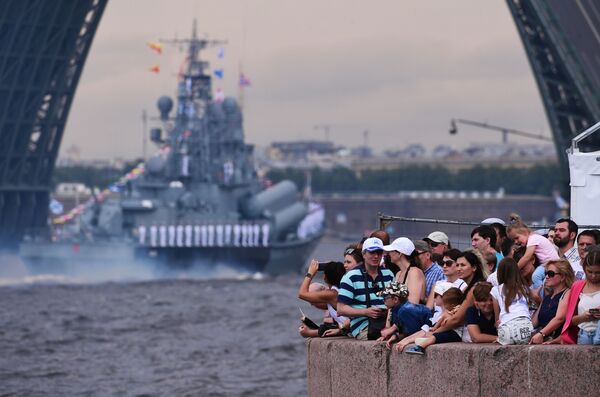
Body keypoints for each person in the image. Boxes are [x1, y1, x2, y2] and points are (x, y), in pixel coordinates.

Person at [337, 237, 395, 340]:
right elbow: (341, 309)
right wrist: (366, 312)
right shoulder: (351, 277)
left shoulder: (389, 274)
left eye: (379, 252)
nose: (376, 256)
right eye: (372, 252)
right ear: (363, 254)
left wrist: (386, 311)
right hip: (363, 325)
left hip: (388, 321)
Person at [557, 247, 600, 345]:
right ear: (584, 268)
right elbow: (570, 321)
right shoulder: (577, 286)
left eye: (598, 273)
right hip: (583, 335)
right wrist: (585, 316)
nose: (593, 276)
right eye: (590, 272)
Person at [402, 288, 464, 355]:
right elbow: (441, 319)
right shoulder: (448, 312)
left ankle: (420, 347)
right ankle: (421, 342)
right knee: (433, 334)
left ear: (452, 305)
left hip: (456, 333)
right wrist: (435, 327)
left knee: (434, 337)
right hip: (448, 330)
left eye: (445, 304)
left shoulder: (458, 310)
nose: (444, 306)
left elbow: (452, 322)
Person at [298, 259, 348, 337]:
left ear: (325, 277)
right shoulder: (341, 289)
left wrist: (310, 273)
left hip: (351, 328)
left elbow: (302, 294)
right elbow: (318, 303)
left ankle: (308, 333)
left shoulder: (331, 294)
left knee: (325, 328)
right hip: (348, 326)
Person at [507, 213, 559, 286]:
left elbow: (526, 257)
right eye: (513, 240)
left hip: (552, 264)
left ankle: (539, 292)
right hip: (549, 264)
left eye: (516, 238)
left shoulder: (533, 239)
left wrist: (515, 269)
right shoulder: (534, 238)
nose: (516, 242)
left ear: (524, 232)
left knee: (535, 277)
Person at [530, 259, 574, 344]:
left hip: (558, 343)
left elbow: (559, 318)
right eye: (546, 273)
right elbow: (534, 322)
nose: (546, 277)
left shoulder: (568, 293)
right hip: (544, 342)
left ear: (563, 277)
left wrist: (541, 333)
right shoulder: (547, 297)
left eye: (551, 274)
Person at [376, 281, 432, 348]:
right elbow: (405, 331)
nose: (383, 301)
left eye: (385, 298)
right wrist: (394, 336)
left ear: (395, 299)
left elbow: (414, 333)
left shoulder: (405, 310)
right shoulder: (396, 310)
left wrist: (397, 336)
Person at [491, 258, 533, 345]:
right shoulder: (524, 288)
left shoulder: (496, 290)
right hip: (527, 331)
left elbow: (497, 318)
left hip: (507, 331)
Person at [383, 237, 426, 304]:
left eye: (391, 251)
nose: (389, 254)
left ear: (399, 254)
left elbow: (412, 304)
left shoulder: (414, 272)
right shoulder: (398, 274)